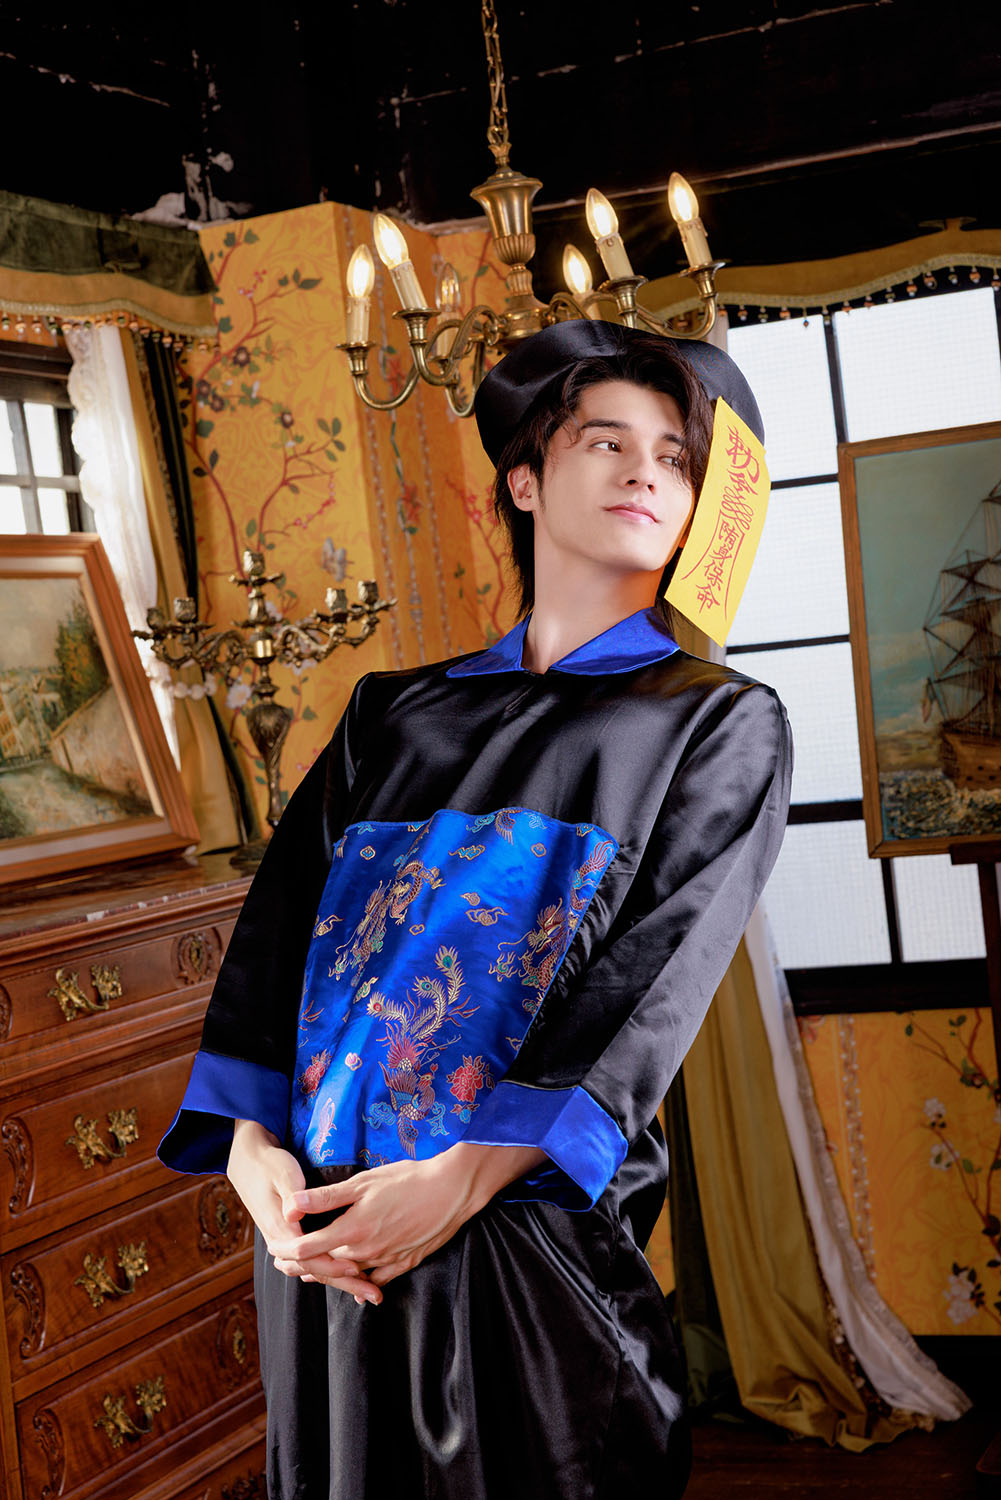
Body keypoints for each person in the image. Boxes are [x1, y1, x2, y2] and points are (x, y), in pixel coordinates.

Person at [158, 319, 793, 1500]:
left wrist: (454, 1181)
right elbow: (276, 943)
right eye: (606, 442)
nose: (645, 472)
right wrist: (254, 1161)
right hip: (323, 1233)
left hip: (514, 1226)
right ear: (523, 479)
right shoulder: (389, 713)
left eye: (674, 457)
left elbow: (645, 987)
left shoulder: (714, 722)